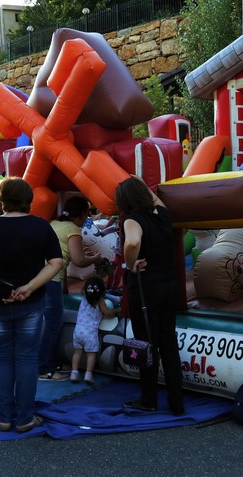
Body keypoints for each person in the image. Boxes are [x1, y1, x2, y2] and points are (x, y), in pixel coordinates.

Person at [0, 178, 63, 433]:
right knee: (27, 358)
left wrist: (2, 287)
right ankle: (24, 417)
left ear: (2, 200)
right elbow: (56, 262)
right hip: (31, 302)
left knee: (3, 357)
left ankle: (4, 417)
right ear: (29, 200)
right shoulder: (41, 227)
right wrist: (30, 287)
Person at [115, 176, 185, 415]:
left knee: (147, 343)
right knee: (168, 344)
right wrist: (141, 184)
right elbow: (154, 200)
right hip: (170, 284)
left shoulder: (132, 219)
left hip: (146, 288)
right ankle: (177, 402)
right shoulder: (163, 215)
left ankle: (148, 399)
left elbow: (133, 243)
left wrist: (129, 264)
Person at [38, 196, 106, 381]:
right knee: (53, 324)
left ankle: (52, 362)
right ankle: (45, 369)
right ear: (83, 213)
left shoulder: (54, 224)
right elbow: (79, 260)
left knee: (49, 323)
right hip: (51, 279)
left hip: (41, 278)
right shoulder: (73, 230)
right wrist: (97, 258)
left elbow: (62, 259)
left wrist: (65, 289)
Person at [70, 276, 120, 384]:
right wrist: (117, 310)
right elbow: (107, 313)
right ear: (101, 292)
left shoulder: (84, 297)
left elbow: (87, 290)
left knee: (77, 353)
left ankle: (74, 373)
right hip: (90, 333)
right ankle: (88, 374)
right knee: (91, 355)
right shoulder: (100, 301)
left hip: (78, 330)